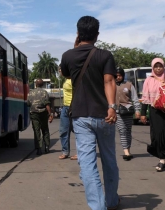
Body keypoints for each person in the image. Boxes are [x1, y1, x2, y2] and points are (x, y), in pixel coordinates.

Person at [60, 16, 119, 210]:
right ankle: (111, 201)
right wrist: (112, 106)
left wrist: (75, 46)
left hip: (81, 116)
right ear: (97, 35)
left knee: (87, 164)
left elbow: (66, 74)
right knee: (109, 160)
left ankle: (97, 207)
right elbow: (109, 81)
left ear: (78, 33)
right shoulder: (105, 55)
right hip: (105, 115)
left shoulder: (68, 55)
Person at [114, 67, 140, 161]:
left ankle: (128, 150)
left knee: (128, 131)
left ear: (123, 75)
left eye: (120, 75)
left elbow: (135, 98)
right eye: (116, 75)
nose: (118, 77)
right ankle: (126, 152)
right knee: (122, 131)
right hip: (117, 112)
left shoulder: (129, 85)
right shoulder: (111, 85)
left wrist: (137, 110)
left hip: (128, 111)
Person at [27, 79, 54, 155]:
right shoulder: (44, 92)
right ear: (42, 85)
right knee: (45, 130)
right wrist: (50, 114)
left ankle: (39, 148)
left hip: (34, 114)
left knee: (36, 131)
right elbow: (47, 104)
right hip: (43, 114)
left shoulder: (30, 93)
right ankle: (47, 147)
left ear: (35, 84)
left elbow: (28, 103)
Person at [58, 67, 77, 160]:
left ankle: (80, 153)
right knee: (63, 131)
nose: (59, 71)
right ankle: (65, 152)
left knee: (78, 131)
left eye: (60, 69)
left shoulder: (74, 79)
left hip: (73, 107)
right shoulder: (66, 80)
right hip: (65, 108)